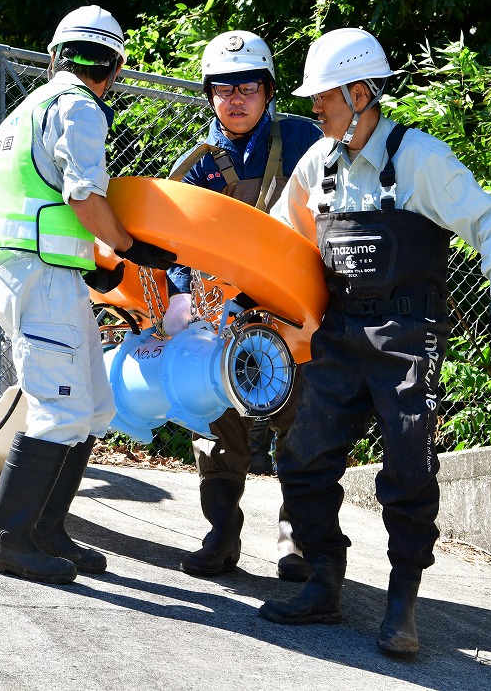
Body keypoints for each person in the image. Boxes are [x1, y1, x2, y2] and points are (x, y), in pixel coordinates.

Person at [257, 28, 491, 658]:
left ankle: (402, 600)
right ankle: (323, 579)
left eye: (323, 94)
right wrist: (253, 292)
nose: (314, 107)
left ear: (359, 91)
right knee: (302, 454)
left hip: (408, 337)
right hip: (340, 332)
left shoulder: (419, 159)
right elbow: (278, 239)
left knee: (408, 467)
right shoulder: (314, 166)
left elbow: (490, 224)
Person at [0, 5, 177, 584]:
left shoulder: (24, 112)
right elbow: (84, 196)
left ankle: (46, 530)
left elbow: (40, 201)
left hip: (42, 272)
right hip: (39, 277)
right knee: (62, 407)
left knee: (91, 407)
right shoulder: (79, 107)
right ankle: (11, 540)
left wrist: (90, 268)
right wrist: (128, 246)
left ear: (54, 57)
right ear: (113, 67)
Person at [160, 30, 321, 582]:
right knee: (216, 425)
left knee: (300, 426)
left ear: (268, 89)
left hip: (291, 310)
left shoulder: (304, 140)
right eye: (223, 88)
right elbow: (175, 241)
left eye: (247, 86)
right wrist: (181, 295)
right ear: (209, 95)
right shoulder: (198, 165)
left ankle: (296, 540)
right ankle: (221, 533)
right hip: (222, 316)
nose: (235, 97)